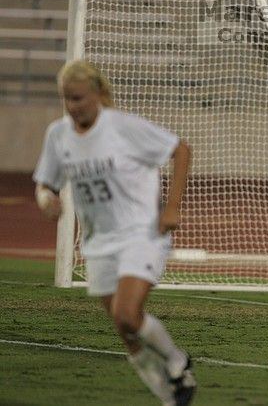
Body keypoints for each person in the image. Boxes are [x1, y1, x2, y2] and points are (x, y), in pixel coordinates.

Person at [33, 60, 196, 406]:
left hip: (141, 232)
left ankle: (177, 360)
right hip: (98, 242)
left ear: (97, 94)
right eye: (66, 99)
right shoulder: (58, 134)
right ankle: (171, 397)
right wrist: (46, 200)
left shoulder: (122, 127)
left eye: (78, 98)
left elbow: (180, 149)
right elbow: (45, 183)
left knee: (125, 313)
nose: (72, 107)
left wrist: (172, 206)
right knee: (127, 332)